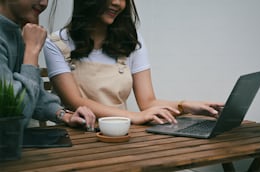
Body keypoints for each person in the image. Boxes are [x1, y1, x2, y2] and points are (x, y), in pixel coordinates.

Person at [44, 0, 223, 125]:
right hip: (79, 138)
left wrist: (186, 106)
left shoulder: (130, 41)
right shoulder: (56, 44)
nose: (118, 3)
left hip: (123, 135)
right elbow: (75, 102)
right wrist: (135, 117)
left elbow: (148, 102)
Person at [0, 0, 96, 130]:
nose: (44, 3)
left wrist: (63, 115)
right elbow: (14, 117)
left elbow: (35, 93)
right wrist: (32, 51)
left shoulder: (15, 31)